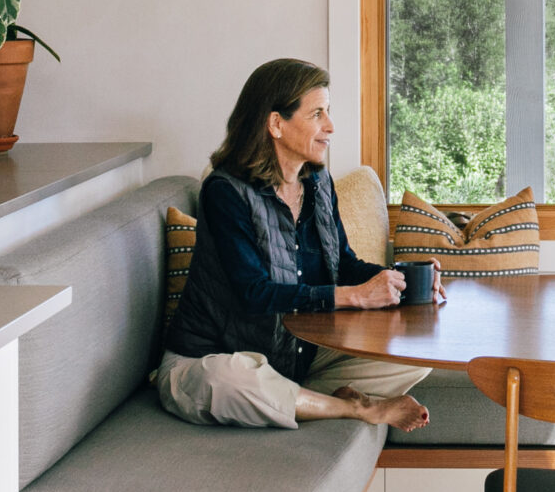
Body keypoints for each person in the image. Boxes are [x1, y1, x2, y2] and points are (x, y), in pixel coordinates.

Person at [153, 58, 436, 431]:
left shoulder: (318, 185)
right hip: (209, 360)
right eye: (317, 113)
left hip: (294, 357)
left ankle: (296, 399)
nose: (330, 126)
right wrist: (351, 296)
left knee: (419, 350)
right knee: (234, 380)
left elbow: (345, 264)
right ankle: (357, 408)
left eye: (328, 112)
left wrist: (399, 280)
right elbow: (254, 293)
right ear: (276, 124)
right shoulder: (225, 192)